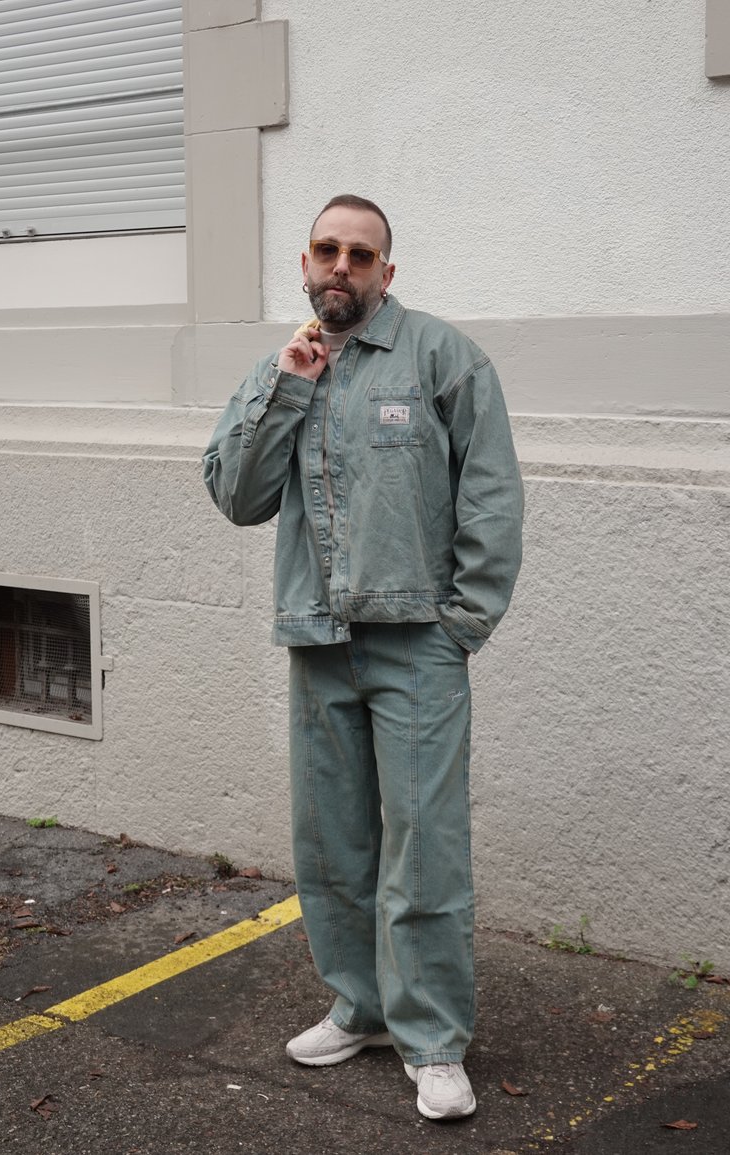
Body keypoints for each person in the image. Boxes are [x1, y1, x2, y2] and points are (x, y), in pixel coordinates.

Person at [203, 194, 523, 1121]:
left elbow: (492, 493)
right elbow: (235, 493)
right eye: (325, 249)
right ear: (304, 263)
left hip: (417, 644)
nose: (341, 266)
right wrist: (286, 384)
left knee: (423, 849)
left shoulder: (442, 358)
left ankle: (433, 1041)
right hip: (318, 638)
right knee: (333, 844)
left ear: (389, 271)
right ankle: (364, 1007)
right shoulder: (286, 366)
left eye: (361, 254)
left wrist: (465, 619)